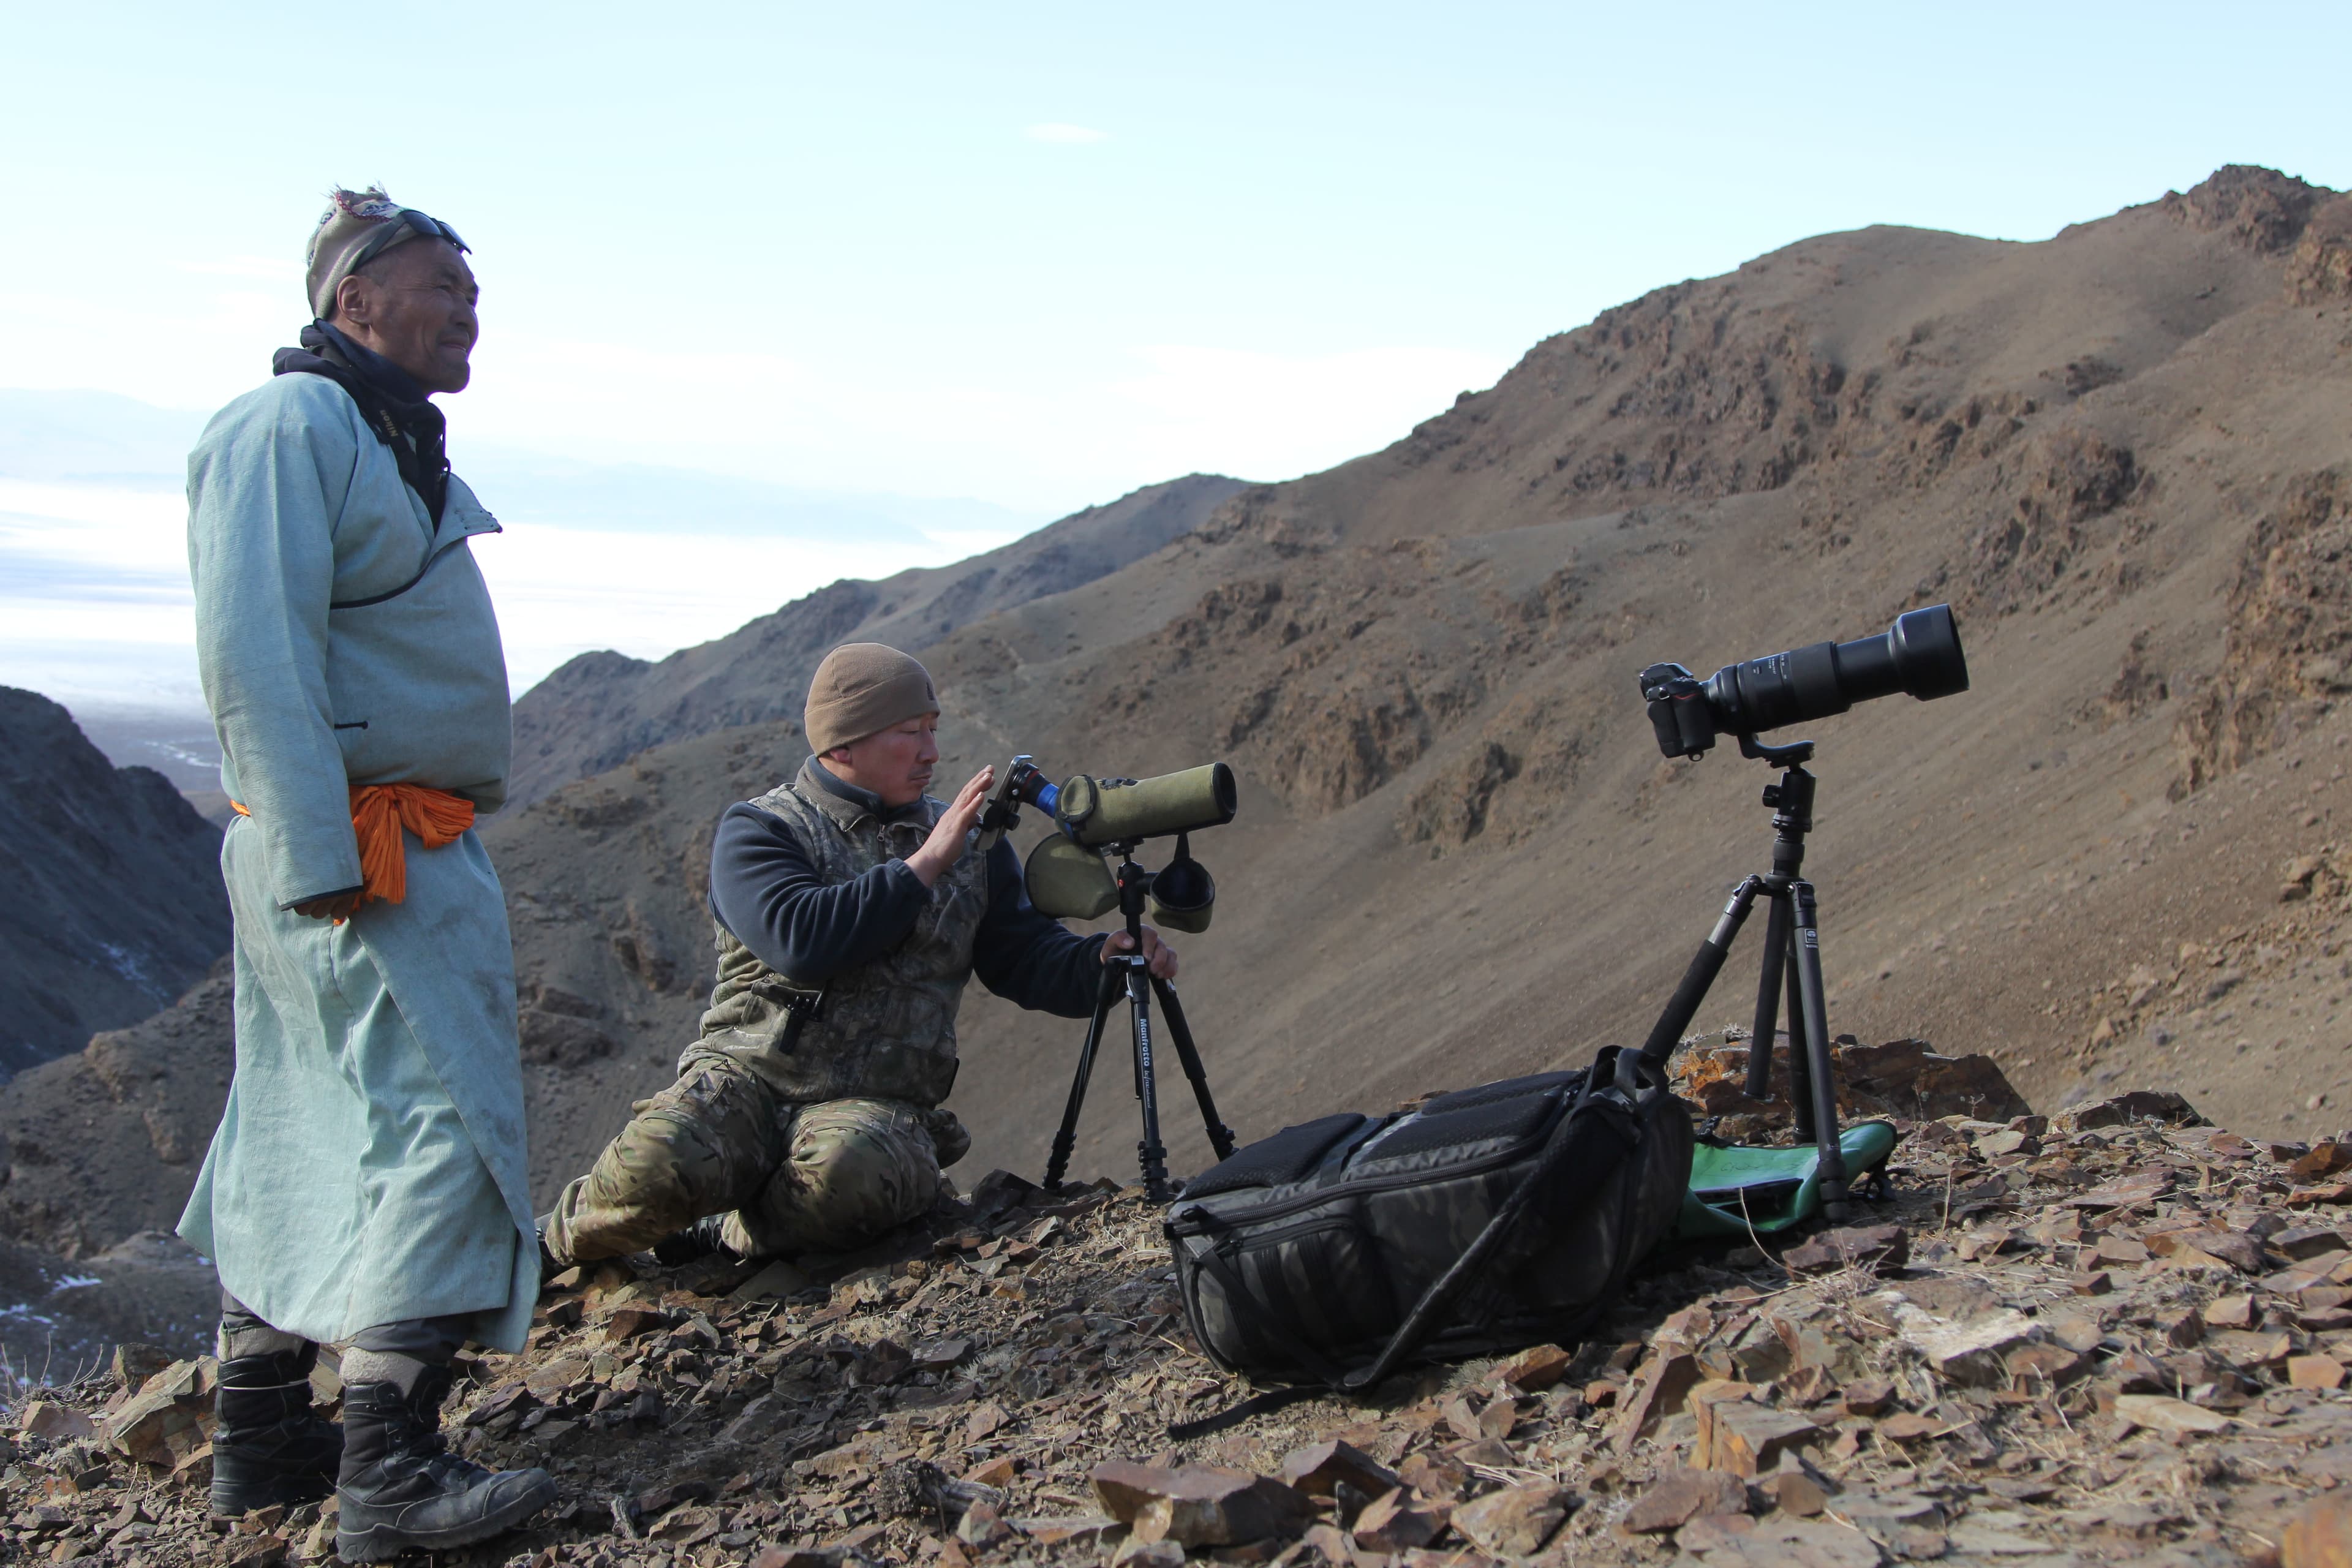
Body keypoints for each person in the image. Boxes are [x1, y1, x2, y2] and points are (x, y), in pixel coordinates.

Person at [179, 187, 554, 1559]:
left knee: (305, 1122)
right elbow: (253, 649)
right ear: (354, 304)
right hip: (358, 844)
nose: (468, 309)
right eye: (442, 285)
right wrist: (319, 850)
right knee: (440, 1126)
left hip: (368, 836)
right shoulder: (287, 426)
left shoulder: (375, 433)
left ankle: (266, 1431)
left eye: (472, 290)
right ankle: (387, 1475)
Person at [539, 643, 1175, 1268]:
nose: (931, 751)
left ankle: (727, 1230)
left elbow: (1022, 958)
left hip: (873, 1105)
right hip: (748, 1081)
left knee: (853, 1177)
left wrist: (1104, 963)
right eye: (909, 732)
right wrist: (923, 864)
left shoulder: (972, 847)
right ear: (843, 745)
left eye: (933, 728)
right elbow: (803, 942)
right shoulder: (763, 830)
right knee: (656, 1164)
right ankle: (540, 1250)